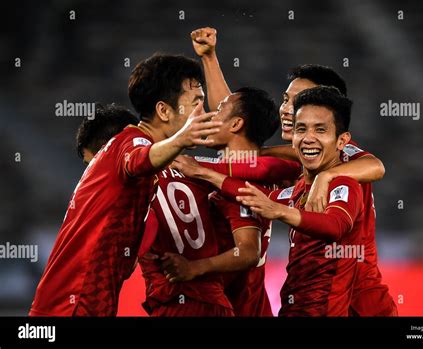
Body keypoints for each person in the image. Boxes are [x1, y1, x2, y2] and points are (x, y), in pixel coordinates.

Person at [190, 27, 396, 316]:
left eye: (298, 101)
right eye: (287, 100)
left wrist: (327, 178)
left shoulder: (341, 162)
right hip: (307, 298)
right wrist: (210, 58)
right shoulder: (300, 159)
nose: (287, 109)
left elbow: (377, 166)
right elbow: (235, 118)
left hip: (355, 301)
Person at [29, 53, 222, 316]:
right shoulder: (130, 141)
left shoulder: (133, 156)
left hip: (89, 299)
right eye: (196, 103)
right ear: (164, 110)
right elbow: (138, 161)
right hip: (73, 302)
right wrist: (180, 139)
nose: (204, 112)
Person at [141, 87, 300, 316]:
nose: (209, 116)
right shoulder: (243, 171)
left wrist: (194, 267)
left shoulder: (238, 183)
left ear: (235, 125)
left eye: (218, 110)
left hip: (237, 308)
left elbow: (247, 252)